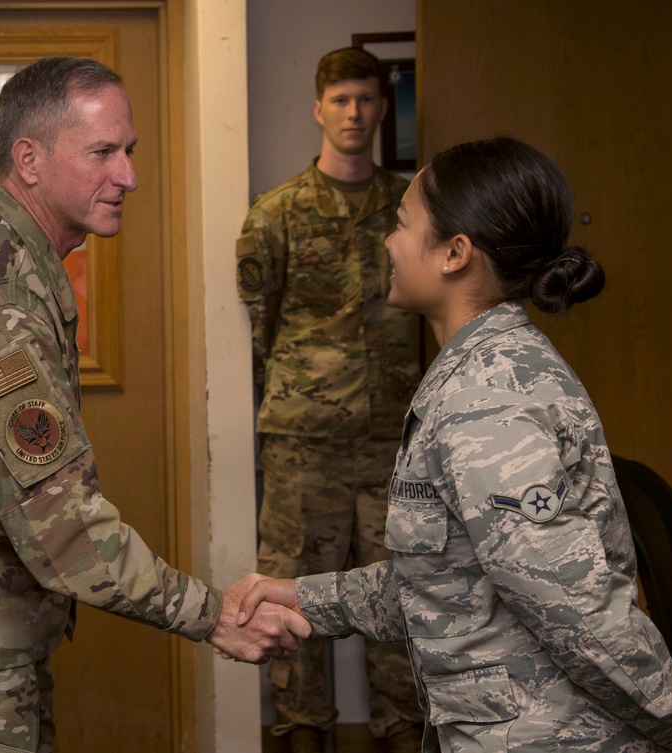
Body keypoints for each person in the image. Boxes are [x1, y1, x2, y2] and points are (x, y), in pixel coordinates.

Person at [0, 56, 310, 753]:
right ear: (28, 160)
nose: (128, 176)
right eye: (102, 153)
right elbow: (65, 530)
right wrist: (213, 613)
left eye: (129, 151)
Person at [237, 136, 672, 753]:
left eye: (402, 223)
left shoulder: (490, 399)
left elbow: (578, 615)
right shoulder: (474, 376)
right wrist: (301, 595)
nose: (388, 241)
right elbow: (447, 582)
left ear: (454, 254)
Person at [235, 47, 425, 752]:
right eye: (340, 99)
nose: (354, 113)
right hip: (303, 442)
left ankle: (403, 730)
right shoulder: (276, 213)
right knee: (293, 593)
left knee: (401, 589)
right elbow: (261, 323)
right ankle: (303, 729)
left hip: (391, 441)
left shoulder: (411, 211)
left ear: (382, 107)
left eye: (367, 99)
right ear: (319, 108)